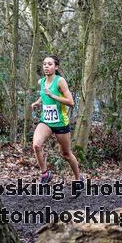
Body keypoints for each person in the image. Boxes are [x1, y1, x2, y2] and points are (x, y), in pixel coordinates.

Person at [31, 55, 82, 184]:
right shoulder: (41, 81)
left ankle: (78, 179)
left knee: (66, 154)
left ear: (56, 67)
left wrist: (53, 95)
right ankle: (45, 173)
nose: (46, 66)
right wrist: (37, 102)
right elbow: (44, 93)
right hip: (46, 121)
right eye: (44, 64)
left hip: (60, 123)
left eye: (50, 64)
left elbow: (71, 102)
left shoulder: (60, 81)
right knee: (36, 145)